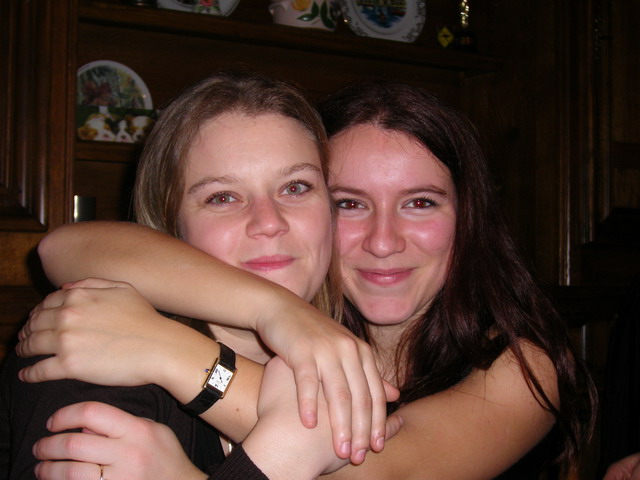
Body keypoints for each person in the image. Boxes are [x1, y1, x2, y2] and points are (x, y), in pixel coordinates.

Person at [17, 79, 596, 479]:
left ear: (470, 217)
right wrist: (279, 311)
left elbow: (371, 466)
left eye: (420, 202)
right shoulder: (298, 333)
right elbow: (63, 247)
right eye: (350, 203)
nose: (384, 241)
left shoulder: (522, 366)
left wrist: (170, 353)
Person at [1, 71, 395, 479]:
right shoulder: (93, 348)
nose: (269, 222)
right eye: (222, 197)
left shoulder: (369, 360)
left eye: (295, 187)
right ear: (171, 227)